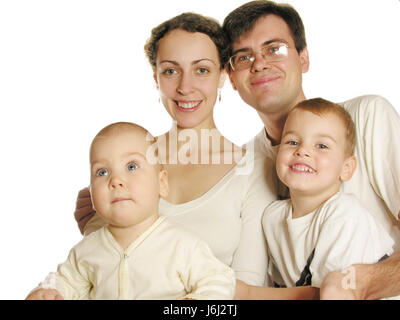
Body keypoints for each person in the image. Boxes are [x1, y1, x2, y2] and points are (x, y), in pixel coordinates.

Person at [74, 13, 276, 287]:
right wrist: (94, 229)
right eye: (170, 70)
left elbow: (247, 287)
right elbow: (100, 268)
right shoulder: (124, 158)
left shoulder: (252, 170)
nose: (185, 87)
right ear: (156, 78)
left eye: (201, 70)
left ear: (222, 76)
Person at [222, 0, 400, 299]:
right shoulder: (243, 165)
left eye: (274, 49)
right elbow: (251, 279)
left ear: (303, 58)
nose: (259, 63)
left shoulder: (368, 116)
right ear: (232, 79)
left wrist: (363, 282)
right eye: (243, 57)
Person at [26, 122, 236, 300]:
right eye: (102, 172)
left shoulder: (182, 245)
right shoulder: (87, 250)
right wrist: (48, 291)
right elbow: (65, 281)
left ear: (161, 183)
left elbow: (218, 279)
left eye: (132, 166)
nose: (116, 180)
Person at [237, 98, 394, 299]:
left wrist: (248, 293)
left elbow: (328, 294)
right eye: (292, 142)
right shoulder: (271, 217)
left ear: (346, 168)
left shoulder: (345, 215)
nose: (302, 151)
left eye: (321, 146)